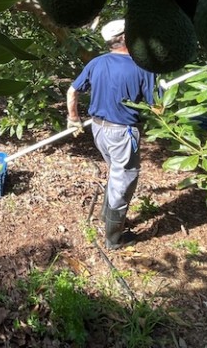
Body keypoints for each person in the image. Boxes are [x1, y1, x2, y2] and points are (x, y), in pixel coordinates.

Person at [66, 19, 155, 250]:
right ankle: (114, 239)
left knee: (116, 173)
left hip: (98, 129)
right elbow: (158, 107)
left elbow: (72, 91)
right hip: (122, 132)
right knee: (124, 179)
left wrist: (73, 119)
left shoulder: (96, 63)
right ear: (125, 38)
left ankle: (106, 217)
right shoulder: (142, 67)